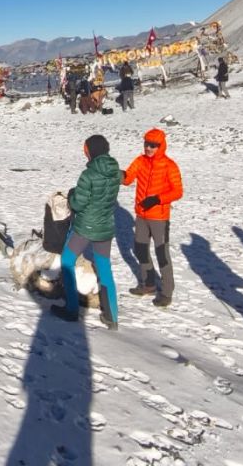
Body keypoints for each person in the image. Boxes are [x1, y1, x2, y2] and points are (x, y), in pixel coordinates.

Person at [53, 134, 121, 331]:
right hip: (105, 228)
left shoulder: (88, 175)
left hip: (84, 227)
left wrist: (73, 195)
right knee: (105, 269)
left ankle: (72, 309)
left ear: (91, 151)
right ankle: (112, 317)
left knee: (67, 261)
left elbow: (78, 203)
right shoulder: (115, 172)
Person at [122, 129, 183, 307]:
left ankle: (166, 292)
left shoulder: (169, 165)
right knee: (140, 250)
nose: (148, 148)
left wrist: (157, 199)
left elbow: (178, 191)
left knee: (161, 254)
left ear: (161, 146)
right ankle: (148, 285)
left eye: (153, 145)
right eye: (146, 144)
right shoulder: (140, 161)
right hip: (141, 215)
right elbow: (127, 179)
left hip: (159, 218)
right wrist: (114, 173)